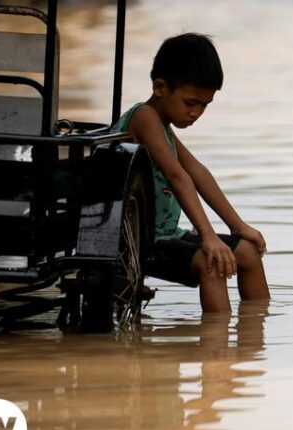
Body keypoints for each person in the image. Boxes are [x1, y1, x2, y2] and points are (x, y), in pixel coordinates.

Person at [111, 33, 269, 313]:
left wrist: (238, 226)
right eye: (191, 103)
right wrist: (208, 236)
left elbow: (195, 171)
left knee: (247, 251)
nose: (196, 113)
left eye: (204, 106)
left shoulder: (162, 124)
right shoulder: (144, 117)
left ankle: (256, 334)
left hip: (167, 234)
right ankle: (217, 350)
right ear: (160, 88)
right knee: (213, 263)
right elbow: (177, 176)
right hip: (139, 242)